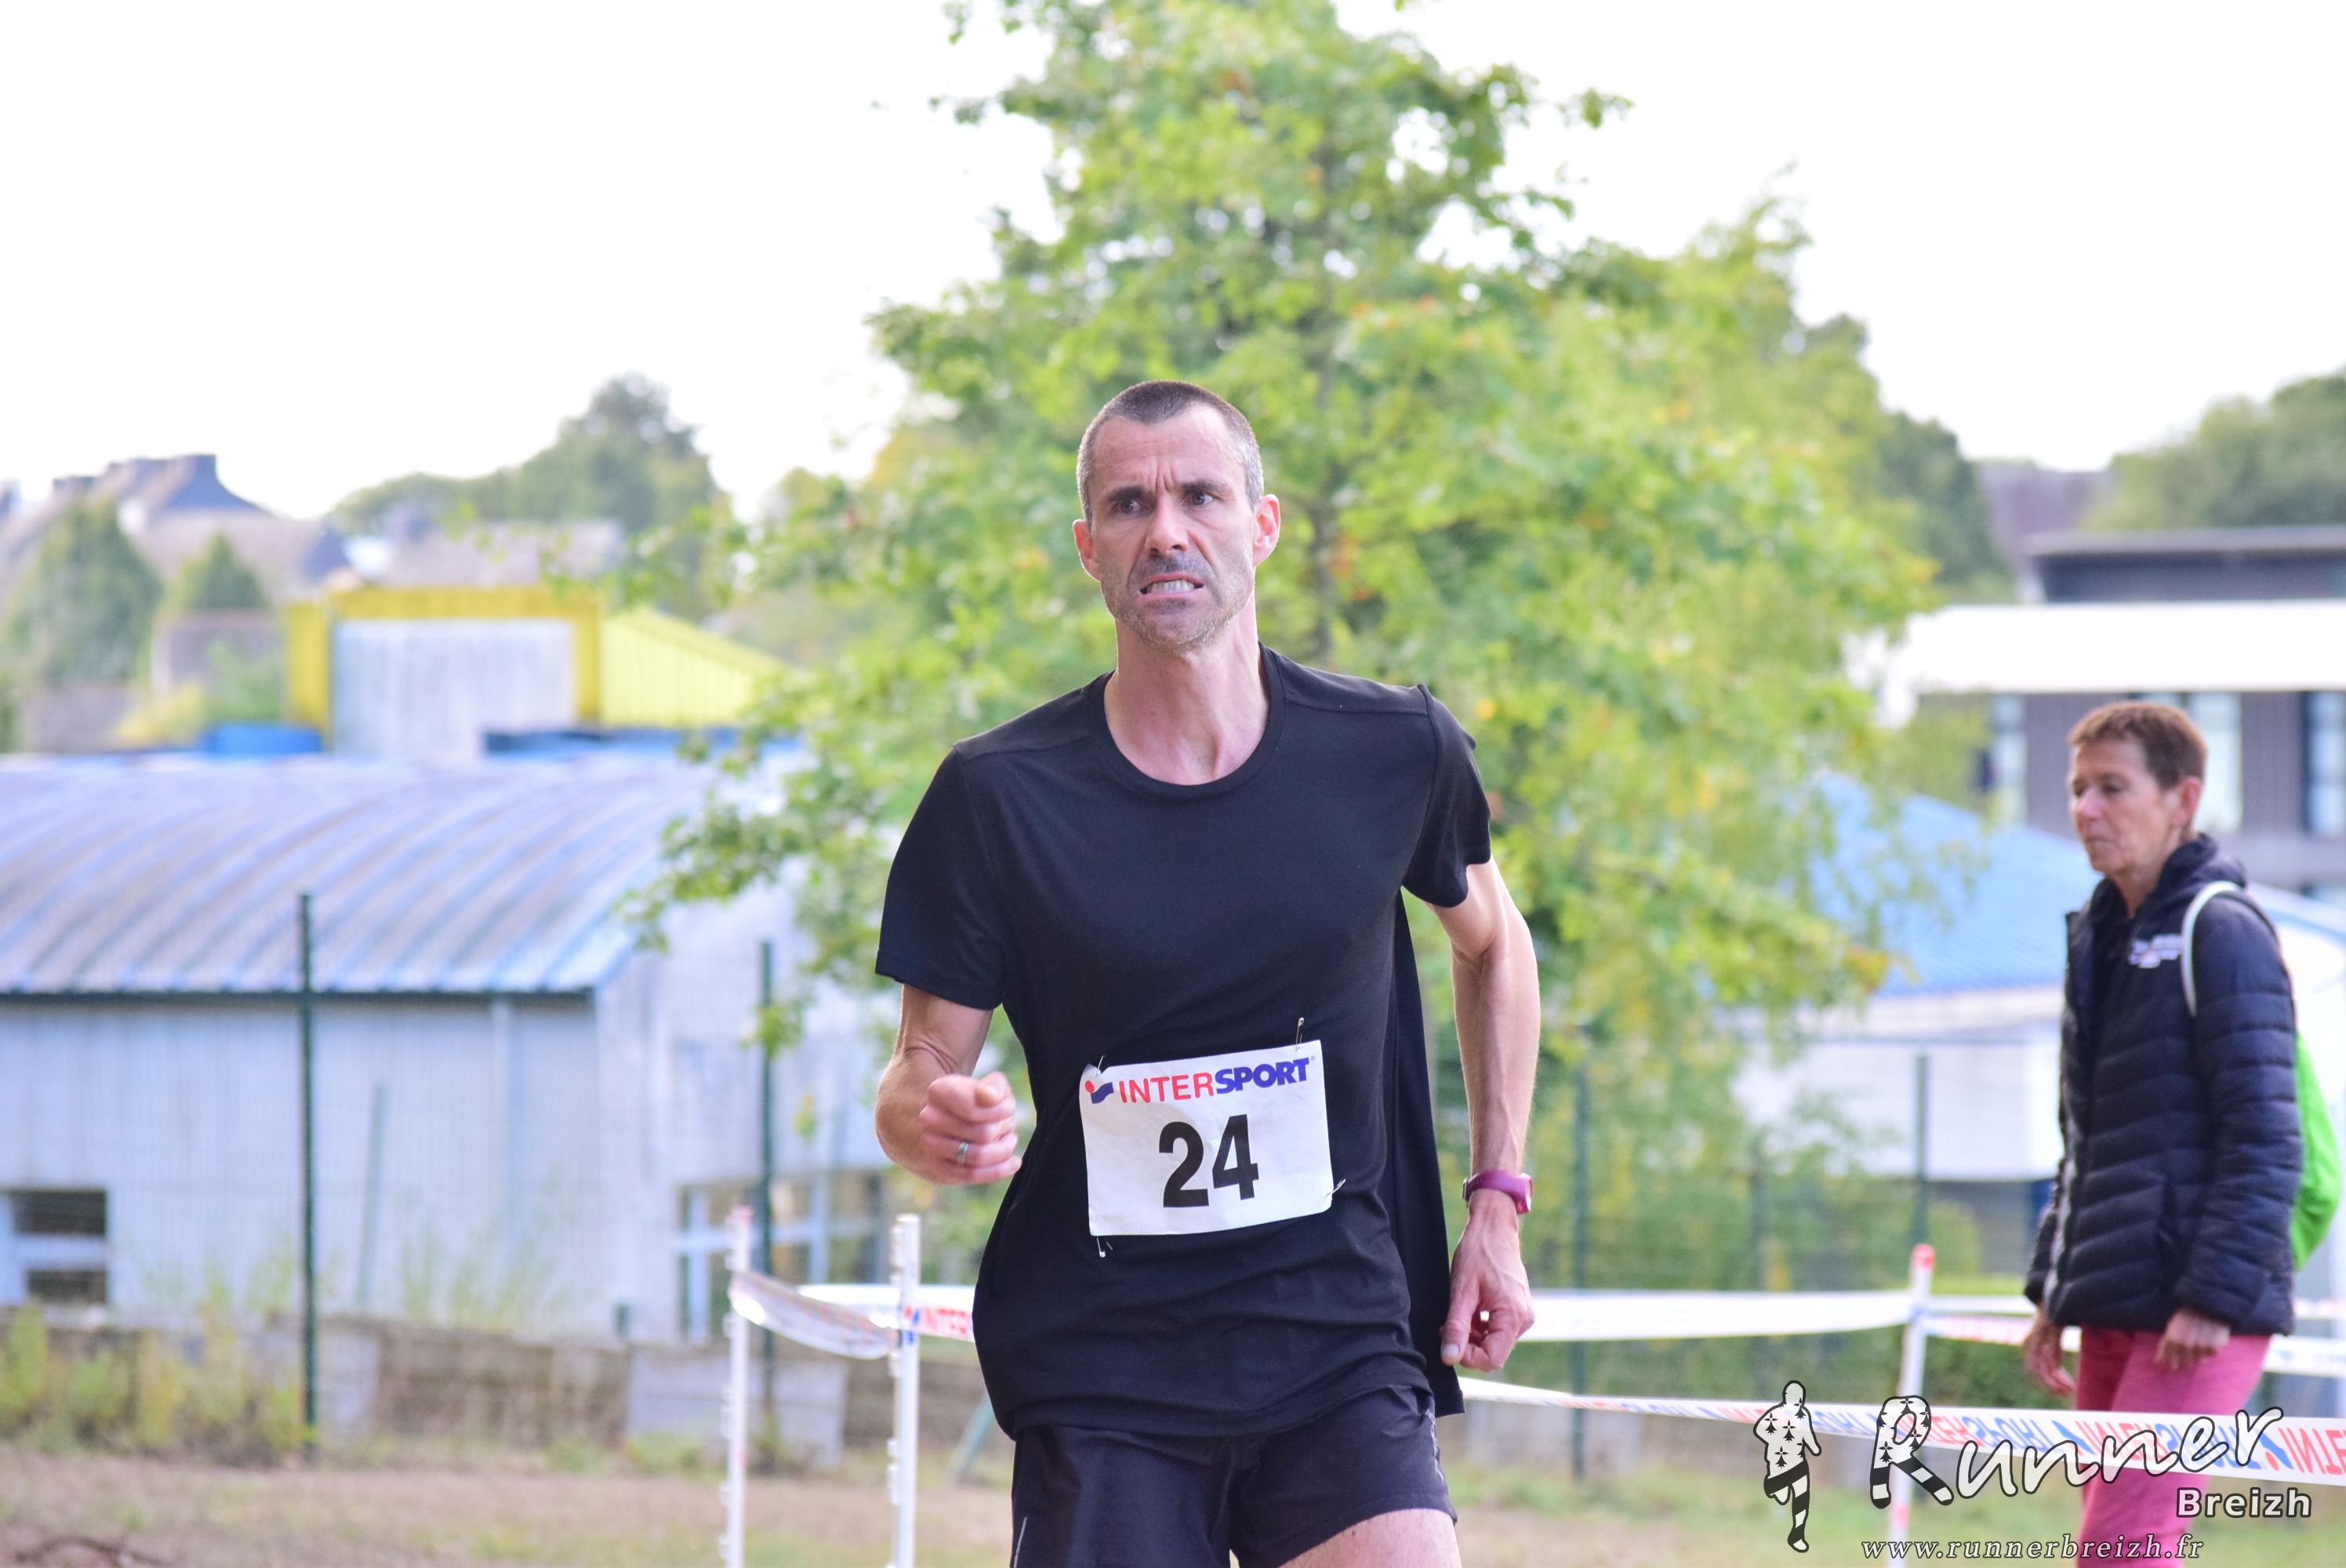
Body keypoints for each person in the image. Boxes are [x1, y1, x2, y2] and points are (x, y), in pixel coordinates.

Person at [872, 379, 1541, 1567]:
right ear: (1088, 546)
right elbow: (918, 1067)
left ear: (1261, 525)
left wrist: (1497, 1200)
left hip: (1342, 1342)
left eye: (1200, 496)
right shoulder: (997, 796)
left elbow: (1495, 943)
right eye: (1129, 505)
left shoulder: (1391, 749)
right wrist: (936, 1116)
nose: (1166, 531)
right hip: (1106, 1368)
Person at [2021, 701, 2300, 1554]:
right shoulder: (2098, 936)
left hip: (2198, 1314)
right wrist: (2054, 1289)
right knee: (2115, 1545)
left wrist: (2213, 1298)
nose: (2086, 809)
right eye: (2077, 788)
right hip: (2112, 1300)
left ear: (2182, 799)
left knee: (2122, 1548)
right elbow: (2088, 1140)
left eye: (2112, 787)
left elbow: (2267, 1135)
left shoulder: (2221, 928)